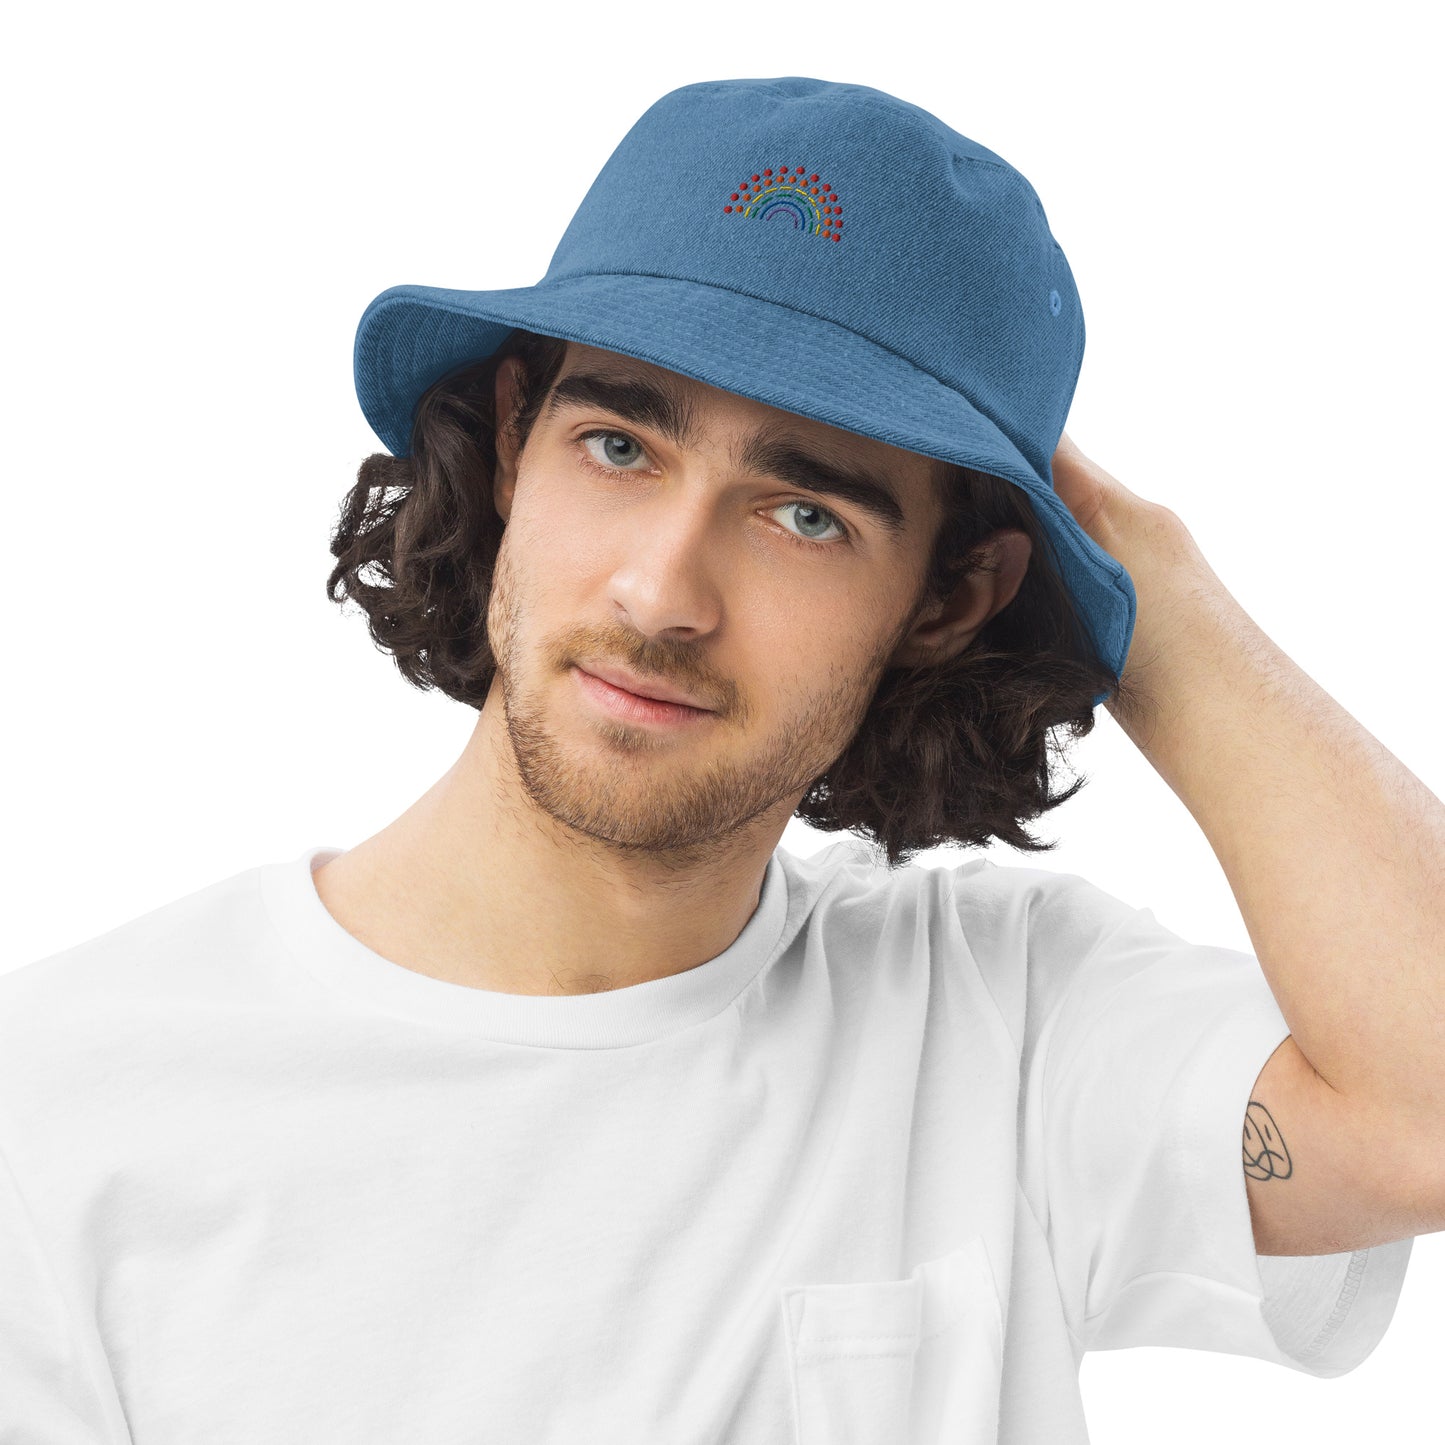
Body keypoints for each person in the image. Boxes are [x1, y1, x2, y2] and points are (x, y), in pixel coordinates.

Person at [2, 76, 1427, 1443]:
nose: (659, 592)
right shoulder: (62, 1110)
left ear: (948, 595)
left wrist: (1146, 600)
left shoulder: (999, 1027)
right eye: (618, 445)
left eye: (805, 513)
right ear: (512, 444)